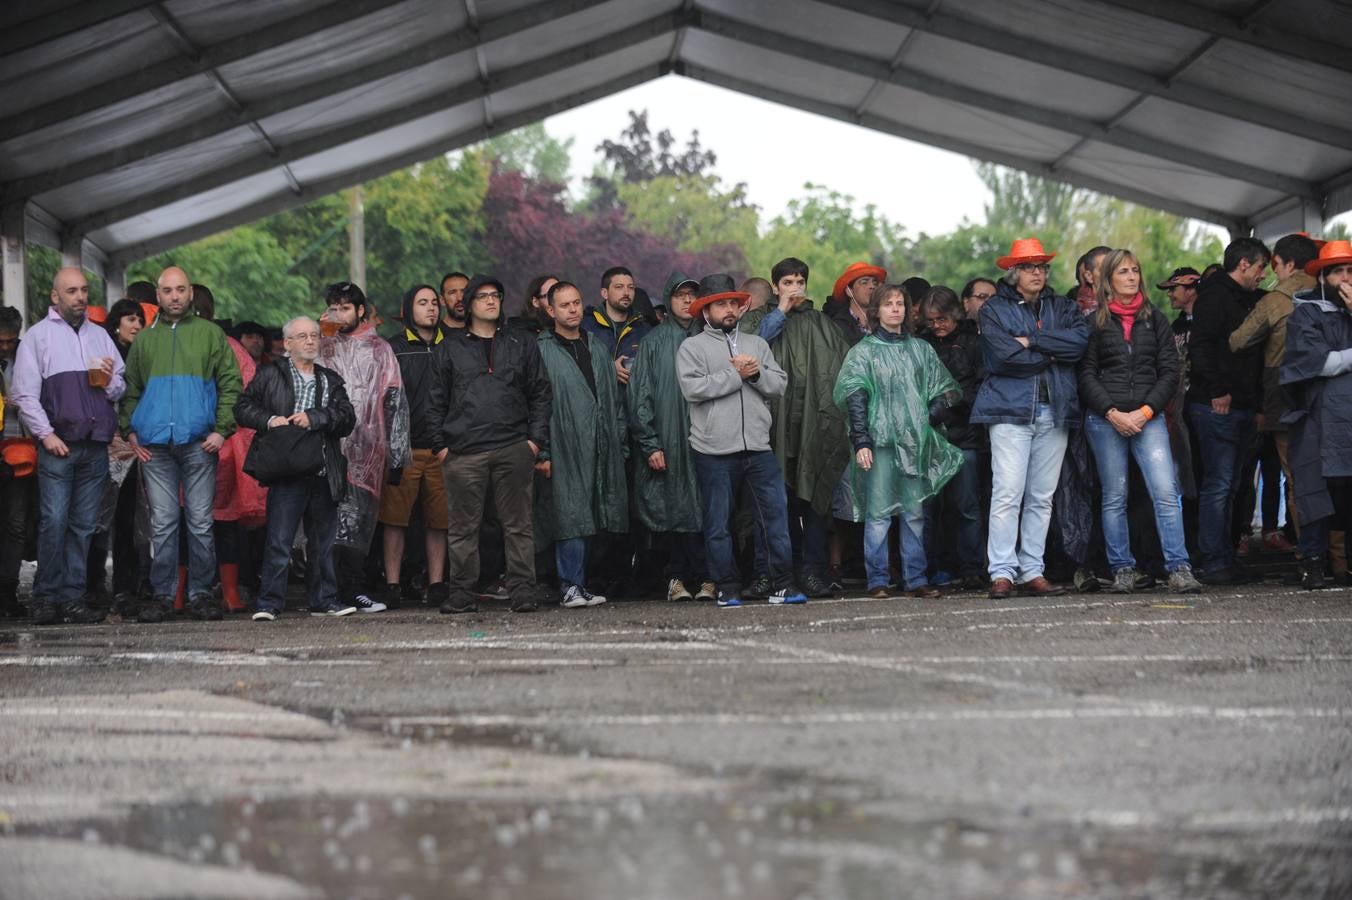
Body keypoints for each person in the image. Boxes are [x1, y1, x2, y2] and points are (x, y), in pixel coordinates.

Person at [1077, 249, 1203, 594]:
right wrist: (1112, 413)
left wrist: (1146, 412)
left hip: (1149, 418)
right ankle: (1122, 569)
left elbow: (1170, 370)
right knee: (1114, 495)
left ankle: (1179, 567)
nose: (1131, 277)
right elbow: (1085, 374)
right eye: (1123, 272)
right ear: (1109, 281)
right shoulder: (1094, 322)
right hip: (1107, 420)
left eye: (1135, 270)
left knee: (1165, 492)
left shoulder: (1156, 318)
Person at [120, 267, 242, 623]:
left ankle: (201, 594)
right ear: (157, 296)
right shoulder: (144, 340)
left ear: (191, 294)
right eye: (168, 290)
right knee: (164, 523)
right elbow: (130, 390)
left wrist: (222, 429)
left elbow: (231, 383)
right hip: (155, 446)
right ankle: (162, 596)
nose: (174, 296)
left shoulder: (210, 334)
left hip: (198, 442)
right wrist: (129, 430)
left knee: (201, 522)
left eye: (181, 290)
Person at [970, 238, 1089, 599]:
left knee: (1042, 496)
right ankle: (1002, 572)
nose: (1037, 273)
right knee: (1008, 493)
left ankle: (1032, 571)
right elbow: (1003, 359)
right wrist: (1052, 352)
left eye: (1041, 267)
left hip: (1055, 409)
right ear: (1013, 272)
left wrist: (1033, 340)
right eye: (1028, 267)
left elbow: (1079, 346)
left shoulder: (1064, 306)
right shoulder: (993, 309)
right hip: (1009, 411)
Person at [677, 274, 805, 608]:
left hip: (758, 448)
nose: (730, 309)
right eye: (721, 304)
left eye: (734, 302)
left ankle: (783, 584)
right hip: (713, 450)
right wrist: (736, 375)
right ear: (706, 310)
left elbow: (778, 385)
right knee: (719, 525)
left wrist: (757, 374)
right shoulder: (692, 348)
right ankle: (727, 586)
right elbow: (693, 389)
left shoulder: (757, 345)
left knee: (775, 519)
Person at [427, 274, 551, 614]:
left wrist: (534, 442)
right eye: (483, 296)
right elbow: (434, 401)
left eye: (496, 295)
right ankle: (462, 593)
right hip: (463, 451)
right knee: (463, 528)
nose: (492, 301)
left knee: (518, 525)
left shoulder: (520, 343)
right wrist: (441, 447)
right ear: (468, 305)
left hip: (514, 446)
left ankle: (523, 591)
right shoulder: (449, 348)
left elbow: (540, 391)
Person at [10, 268, 125, 624]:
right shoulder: (38, 338)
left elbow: (120, 387)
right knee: (54, 522)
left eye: (84, 290)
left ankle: (72, 599)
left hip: (94, 446)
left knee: (83, 526)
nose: (80, 297)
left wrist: (108, 382)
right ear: (55, 297)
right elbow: (23, 395)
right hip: (58, 444)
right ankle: (46, 598)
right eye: (71, 291)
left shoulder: (101, 337)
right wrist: (46, 435)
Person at [836, 283, 961, 598]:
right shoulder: (863, 352)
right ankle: (878, 580)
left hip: (914, 445)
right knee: (878, 514)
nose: (895, 308)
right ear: (876, 310)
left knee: (914, 514)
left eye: (900, 303)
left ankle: (916, 580)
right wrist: (862, 440)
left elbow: (946, 391)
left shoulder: (921, 350)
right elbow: (855, 396)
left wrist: (925, 420)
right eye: (888, 303)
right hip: (879, 444)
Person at [738, 258, 852, 598]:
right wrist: (782, 311)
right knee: (769, 506)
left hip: (813, 428)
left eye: (800, 281)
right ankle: (765, 574)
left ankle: (812, 572)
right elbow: (751, 347)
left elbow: (845, 371)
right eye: (787, 282)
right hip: (769, 429)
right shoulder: (760, 319)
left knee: (815, 504)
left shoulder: (822, 323)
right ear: (776, 287)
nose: (795, 287)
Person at [234, 316, 357, 618]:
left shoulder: (329, 378)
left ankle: (325, 600)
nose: (310, 340)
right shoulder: (269, 374)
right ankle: (269, 604)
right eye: (302, 336)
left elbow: (347, 417)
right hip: (286, 470)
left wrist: (315, 417)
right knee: (279, 540)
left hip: (322, 470)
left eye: (314, 335)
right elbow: (242, 407)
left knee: (323, 543)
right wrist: (268, 420)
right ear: (287, 344)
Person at [318, 281, 410, 612]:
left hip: (369, 451)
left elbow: (395, 401)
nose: (338, 313)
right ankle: (327, 593)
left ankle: (354, 589)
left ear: (360, 310)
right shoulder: (321, 345)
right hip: (327, 448)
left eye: (345, 307)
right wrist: (318, 334)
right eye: (334, 307)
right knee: (328, 522)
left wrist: (398, 455)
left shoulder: (380, 349)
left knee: (360, 524)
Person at [535, 281, 628, 608]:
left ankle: (580, 583)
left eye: (576, 303)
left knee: (593, 514)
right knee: (569, 514)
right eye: (564, 305)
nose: (573, 310)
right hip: (563, 443)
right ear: (550, 311)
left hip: (600, 443)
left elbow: (614, 401)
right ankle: (569, 586)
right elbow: (536, 404)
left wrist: (619, 441)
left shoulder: (597, 347)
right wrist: (542, 450)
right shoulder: (541, 349)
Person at [1186, 237, 1270, 583]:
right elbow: (1201, 346)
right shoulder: (1214, 296)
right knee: (1219, 485)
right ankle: (1214, 561)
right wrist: (1219, 390)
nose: (1264, 275)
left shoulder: (1253, 299)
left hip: (1243, 405)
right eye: (1262, 268)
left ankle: (1226, 555)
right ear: (1244, 265)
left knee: (1232, 485)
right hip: (1215, 405)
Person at [1229, 233, 1319, 554]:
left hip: (1285, 397)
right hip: (1329, 399)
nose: (1272, 272)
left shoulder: (1274, 301)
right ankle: (1338, 554)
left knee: (1296, 478)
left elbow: (1237, 341)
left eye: (1276, 265)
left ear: (1289, 264)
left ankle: (1310, 553)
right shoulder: (1332, 292)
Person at [629, 272, 713, 602]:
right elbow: (640, 396)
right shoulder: (653, 342)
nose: (687, 300)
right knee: (674, 511)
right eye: (680, 295)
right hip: (667, 438)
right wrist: (650, 443)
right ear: (668, 299)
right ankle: (677, 578)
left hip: (708, 438)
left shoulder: (712, 338)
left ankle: (709, 578)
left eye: (693, 294)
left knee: (707, 510)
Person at [1280, 239, 1352, 589]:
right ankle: (1312, 563)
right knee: (1314, 488)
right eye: (1338, 271)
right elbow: (1318, 362)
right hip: (1318, 417)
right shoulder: (1306, 312)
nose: (1346, 278)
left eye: (1351, 271)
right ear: (1323, 277)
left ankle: (1345, 565)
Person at [379, 284, 452, 610]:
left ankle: (437, 584)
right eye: (423, 303)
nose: (431, 308)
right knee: (395, 521)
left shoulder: (452, 345)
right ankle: (392, 584)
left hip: (442, 450)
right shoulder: (392, 348)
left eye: (435, 302)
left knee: (440, 521)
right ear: (409, 309)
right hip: (403, 449)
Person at [920, 285, 987, 590]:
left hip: (966, 436)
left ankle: (972, 567)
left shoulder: (974, 343)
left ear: (956, 314)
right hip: (929, 437)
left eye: (942, 319)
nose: (937, 325)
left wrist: (950, 401)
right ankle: (935, 567)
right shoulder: (920, 345)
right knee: (929, 508)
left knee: (966, 506)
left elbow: (981, 388)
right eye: (931, 320)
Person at [102, 298, 149, 615]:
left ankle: (127, 585)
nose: (135, 325)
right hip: (106, 442)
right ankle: (93, 585)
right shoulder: (104, 355)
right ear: (116, 322)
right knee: (100, 517)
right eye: (129, 318)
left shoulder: (146, 355)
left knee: (134, 517)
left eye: (140, 320)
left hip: (140, 442)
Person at [0, 305, 37, 618]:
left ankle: (7, 592)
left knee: (16, 524)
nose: (5, 347)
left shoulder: (27, 357)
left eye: (10, 341)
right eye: (0, 341)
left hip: (21, 451)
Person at [582, 266, 651, 387]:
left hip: (633, 403)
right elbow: (574, 368)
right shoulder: (585, 327)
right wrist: (608, 369)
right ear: (604, 293)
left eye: (631, 287)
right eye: (619, 287)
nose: (626, 293)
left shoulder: (645, 330)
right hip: (598, 403)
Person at [823, 261, 886, 346]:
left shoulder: (886, 321)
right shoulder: (836, 326)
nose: (872, 286)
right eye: (864, 282)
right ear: (849, 291)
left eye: (875, 283)